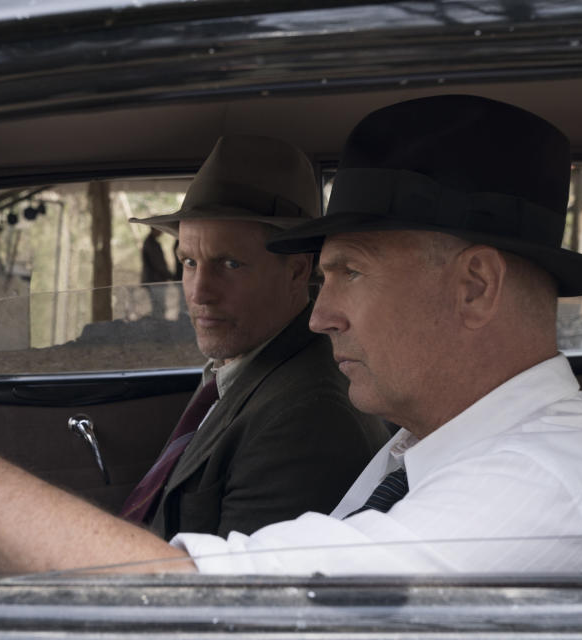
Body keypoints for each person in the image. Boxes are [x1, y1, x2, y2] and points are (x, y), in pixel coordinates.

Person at [0, 96, 582, 576]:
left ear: (474, 286)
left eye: (347, 270)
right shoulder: (431, 449)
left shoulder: (530, 498)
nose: (320, 312)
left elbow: (183, 603)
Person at [124, 135, 387, 539]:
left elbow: (241, 597)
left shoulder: (307, 419)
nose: (198, 292)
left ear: (298, 272)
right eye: (189, 262)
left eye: (229, 264)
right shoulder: (244, 369)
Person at [140, 226, 175, 318]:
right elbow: (158, 265)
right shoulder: (151, 244)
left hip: (154, 281)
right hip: (155, 282)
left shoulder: (151, 242)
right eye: (160, 229)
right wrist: (172, 276)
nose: (162, 232)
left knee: (158, 307)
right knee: (158, 308)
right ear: (154, 229)